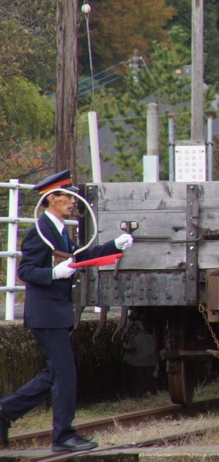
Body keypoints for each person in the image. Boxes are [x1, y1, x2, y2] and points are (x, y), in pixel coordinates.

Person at [0, 170, 133, 452]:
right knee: (64, 373)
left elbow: (78, 256)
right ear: (51, 199)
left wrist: (113, 245)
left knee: (57, 373)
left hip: (55, 313)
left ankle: (4, 413)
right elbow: (26, 270)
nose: (73, 202)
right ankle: (62, 436)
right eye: (67, 196)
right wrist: (54, 273)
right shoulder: (40, 231)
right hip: (46, 314)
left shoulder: (58, 229)